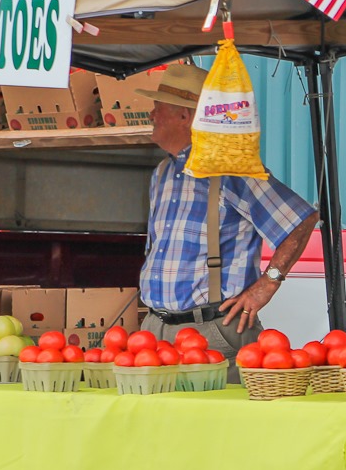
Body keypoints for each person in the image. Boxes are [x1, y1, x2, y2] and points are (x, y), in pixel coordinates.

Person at [135, 64, 318, 367]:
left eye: (158, 108)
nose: (151, 116)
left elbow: (301, 219)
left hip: (212, 331)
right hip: (156, 332)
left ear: (185, 116)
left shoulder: (232, 171)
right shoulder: (162, 173)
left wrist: (268, 283)